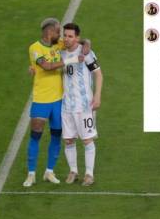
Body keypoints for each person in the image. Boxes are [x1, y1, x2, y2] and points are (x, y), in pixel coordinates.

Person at [23, 18, 88, 187]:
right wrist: (72, 60)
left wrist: (85, 49)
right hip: (41, 99)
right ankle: (31, 174)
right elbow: (47, 66)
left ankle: (49, 172)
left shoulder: (58, 43)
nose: (61, 36)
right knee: (36, 135)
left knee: (56, 135)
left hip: (59, 100)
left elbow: (84, 41)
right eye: (58, 32)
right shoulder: (35, 48)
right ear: (49, 32)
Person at [61, 23, 103, 186]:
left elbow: (98, 75)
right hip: (67, 105)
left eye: (71, 36)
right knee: (69, 140)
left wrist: (97, 95)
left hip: (84, 105)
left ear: (77, 38)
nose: (67, 38)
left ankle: (89, 174)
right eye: (65, 35)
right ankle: (73, 171)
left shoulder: (86, 53)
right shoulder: (61, 53)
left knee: (87, 140)